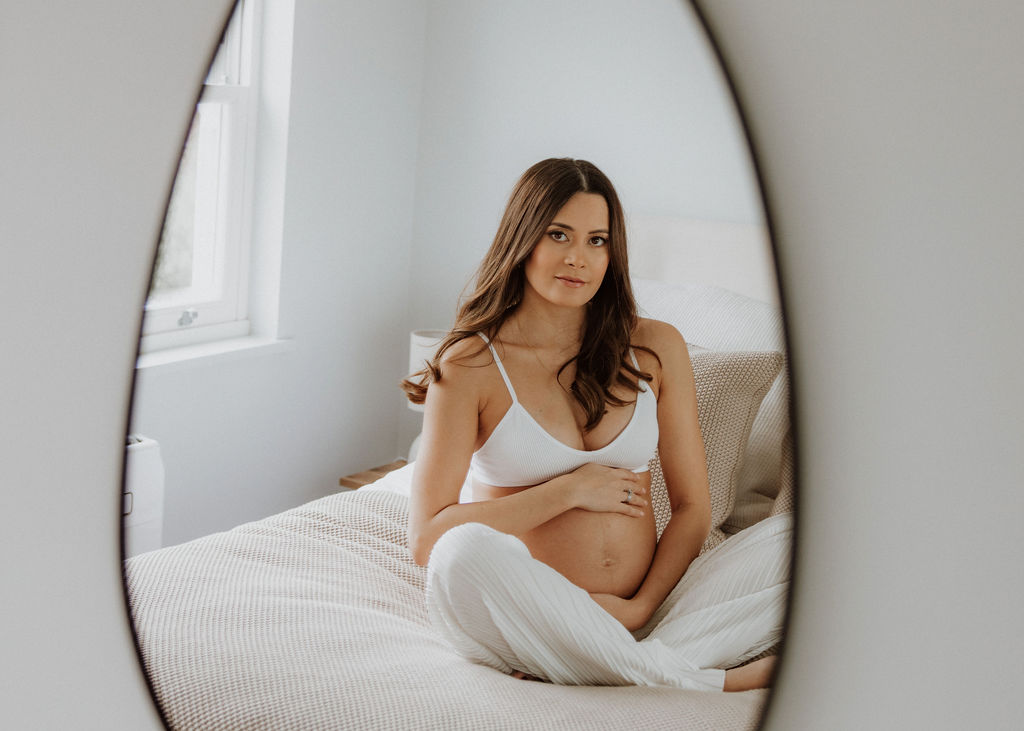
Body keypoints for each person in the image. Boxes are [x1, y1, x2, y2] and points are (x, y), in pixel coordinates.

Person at [402, 158, 790, 692]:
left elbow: (693, 508)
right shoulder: (470, 364)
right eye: (558, 234)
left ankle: (611, 662)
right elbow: (427, 539)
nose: (576, 258)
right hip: (531, 614)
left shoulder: (655, 346)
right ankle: (701, 679)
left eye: (597, 240)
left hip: (650, 610)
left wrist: (638, 607)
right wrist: (568, 491)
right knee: (460, 554)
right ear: (524, 239)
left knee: (793, 539)